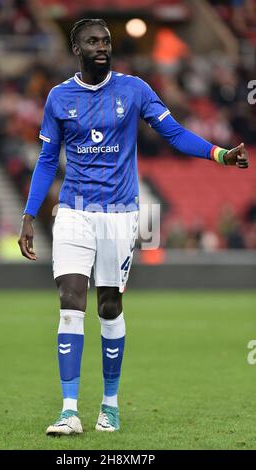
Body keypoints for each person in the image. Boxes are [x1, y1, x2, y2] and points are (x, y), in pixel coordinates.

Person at [18, 18, 249, 436]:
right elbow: (48, 160)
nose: (101, 47)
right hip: (73, 211)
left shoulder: (135, 89)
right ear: (77, 49)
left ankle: (110, 404)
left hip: (120, 214)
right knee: (71, 299)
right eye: (92, 41)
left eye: (106, 41)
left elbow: (174, 133)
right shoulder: (58, 98)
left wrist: (218, 154)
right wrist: (29, 215)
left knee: (109, 306)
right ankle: (69, 410)